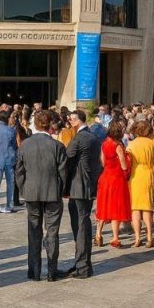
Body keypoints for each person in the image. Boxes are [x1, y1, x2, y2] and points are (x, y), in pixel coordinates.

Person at [15, 110, 68, 282]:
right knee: (52, 232)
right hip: (52, 192)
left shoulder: (25, 145)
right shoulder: (57, 146)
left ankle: (34, 271)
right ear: (50, 125)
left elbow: (19, 172)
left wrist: (24, 189)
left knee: (34, 231)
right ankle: (52, 271)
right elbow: (63, 173)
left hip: (31, 192)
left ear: (36, 124)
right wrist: (60, 190)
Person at [63, 109, 101, 278]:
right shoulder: (94, 137)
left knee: (80, 226)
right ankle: (82, 263)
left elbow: (67, 159)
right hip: (88, 184)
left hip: (78, 186)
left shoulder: (79, 138)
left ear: (78, 121)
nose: (70, 122)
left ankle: (83, 266)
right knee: (82, 224)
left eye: (72, 119)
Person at [95, 120, 131, 248]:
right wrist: (128, 167)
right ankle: (115, 238)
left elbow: (103, 161)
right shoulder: (118, 146)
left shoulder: (104, 143)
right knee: (116, 207)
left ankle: (98, 234)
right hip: (116, 179)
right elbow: (123, 164)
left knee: (103, 206)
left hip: (105, 177)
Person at [127, 119, 154, 248]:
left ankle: (137, 238)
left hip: (135, 176)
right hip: (148, 175)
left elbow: (128, 162)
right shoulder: (151, 144)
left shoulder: (131, 144)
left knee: (135, 209)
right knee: (147, 208)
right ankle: (149, 237)